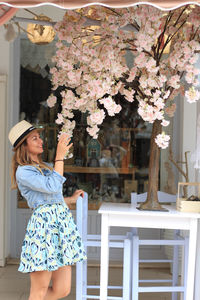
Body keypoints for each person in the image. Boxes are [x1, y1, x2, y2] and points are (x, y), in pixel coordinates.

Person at [8, 120, 87, 300]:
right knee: (39, 290)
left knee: (62, 290)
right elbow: (52, 187)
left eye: (39, 137)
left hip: (61, 228)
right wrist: (60, 156)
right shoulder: (24, 171)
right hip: (43, 231)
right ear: (23, 145)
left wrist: (70, 199)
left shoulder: (47, 167)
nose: (40, 141)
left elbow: (51, 199)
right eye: (34, 138)